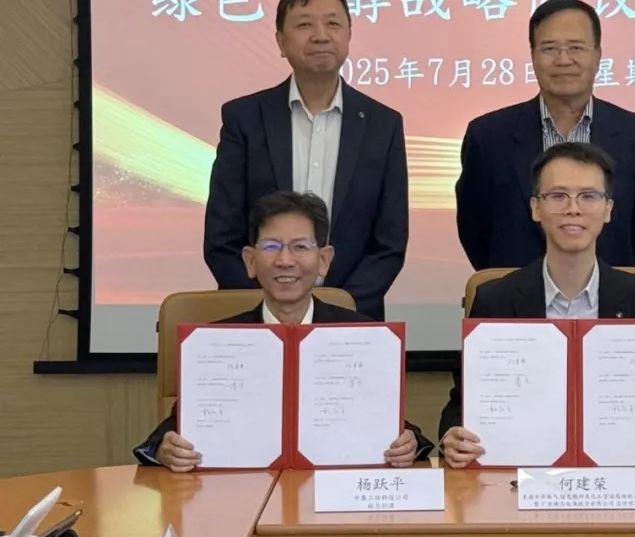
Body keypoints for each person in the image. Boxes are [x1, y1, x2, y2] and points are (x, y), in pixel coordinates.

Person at [440, 142, 635, 468]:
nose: (573, 209)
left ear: (608, 209)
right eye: (557, 196)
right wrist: (451, 436)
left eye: (588, 196)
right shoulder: (495, 300)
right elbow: (462, 405)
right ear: (535, 208)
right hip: (520, 473)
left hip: (623, 472)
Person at [135, 190, 433, 471]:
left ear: (324, 260)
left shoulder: (365, 337)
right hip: (242, 491)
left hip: (331, 491)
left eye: (300, 247)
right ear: (250, 261)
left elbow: (399, 430)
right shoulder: (216, 342)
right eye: (271, 246)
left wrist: (407, 445)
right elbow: (169, 433)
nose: (285, 261)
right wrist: (164, 449)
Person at [203, 0, 407, 320]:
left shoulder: (382, 124)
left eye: (332, 24)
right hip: (262, 319)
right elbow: (222, 236)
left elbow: (389, 243)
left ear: (348, 35)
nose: (320, 35)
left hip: (350, 320)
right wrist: (272, 305)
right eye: (304, 25)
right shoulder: (245, 119)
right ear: (281, 41)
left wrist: (337, 308)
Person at [455, 0, 635, 270]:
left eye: (576, 47)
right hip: (514, 293)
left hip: (610, 293)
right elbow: (475, 230)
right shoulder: (488, 137)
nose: (563, 60)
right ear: (533, 56)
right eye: (549, 48)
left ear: (598, 55)